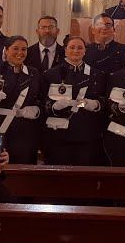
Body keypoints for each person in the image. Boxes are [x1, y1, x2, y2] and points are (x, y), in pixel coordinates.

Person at [0, 35, 43, 165]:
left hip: (25, 132)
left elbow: (40, 98)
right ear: (6, 50)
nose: (20, 53)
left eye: (24, 49)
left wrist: (36, 110)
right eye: (15, 49)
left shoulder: (34, 73)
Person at [41, 36, 106, 166]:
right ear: (65, 50)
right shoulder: (51, 74)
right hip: (58, 135)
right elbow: (42, 101)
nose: (76, 50)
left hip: (87, 134)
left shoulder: (97, 75)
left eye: (80, 48)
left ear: (85, 51)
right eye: (72, 47)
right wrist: (54, 106)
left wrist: (94, 104)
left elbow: (104, 100)